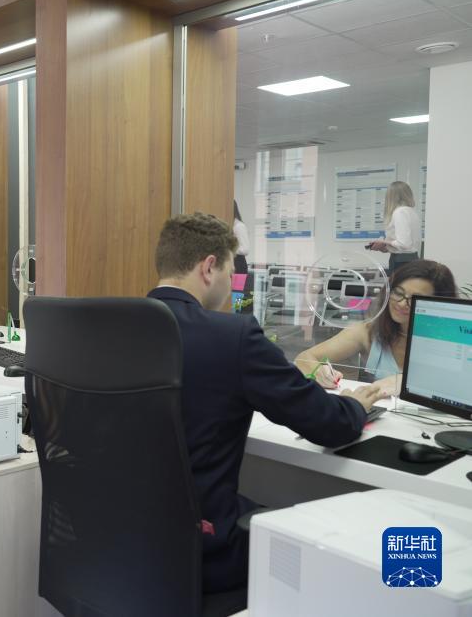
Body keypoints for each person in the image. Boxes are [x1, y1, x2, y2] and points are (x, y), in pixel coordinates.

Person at [147, 213, 386, 593]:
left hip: (115, 539)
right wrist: (356, 405)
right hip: (204, 550)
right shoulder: (232, 336)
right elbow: (329, 424)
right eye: (230, 273)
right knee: (327, 548)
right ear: (208, 267)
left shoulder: (112, 329)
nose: (231, 284)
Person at [294, 260, 456, 390]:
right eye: (398, 293)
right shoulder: (368, 332)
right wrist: (319, 372)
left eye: (414, 299)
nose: (401, 303)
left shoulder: (453, 342)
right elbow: (303, 358)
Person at [367, 181, 421, 273]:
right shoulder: (411, 212)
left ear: (390, 196)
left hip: (401, 262)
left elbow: (404, 244)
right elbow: (406, 246)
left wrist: (383, 242)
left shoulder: (400, 212)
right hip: (412, 260)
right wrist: (385, 247)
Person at [232, 200, 249, 275]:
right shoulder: (232, 225)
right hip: (232, 263)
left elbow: (245, 249)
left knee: (237, 284)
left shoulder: (239, 226)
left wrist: (228, 250)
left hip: (238, 265)